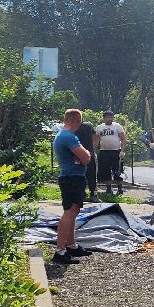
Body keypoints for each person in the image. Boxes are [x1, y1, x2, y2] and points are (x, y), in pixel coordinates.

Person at [53, 109, 92, 264]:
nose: (80, 124)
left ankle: (71, 245)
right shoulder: (68, 136)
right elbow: (86, 157)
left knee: (74, 211)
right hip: (71, 178)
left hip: (73, 177)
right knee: (69, 212)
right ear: (76, 120)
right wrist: (87, 153)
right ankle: (60, 251)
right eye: (79, 121)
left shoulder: (64, 135)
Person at [95, 110, 127, 196]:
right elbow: (97, 140)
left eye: (111, 117)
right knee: (106, 171)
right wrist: (94, 151)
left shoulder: (117, 126)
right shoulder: (99, 128)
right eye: (108, 117)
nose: (110, 119)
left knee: (118, 171)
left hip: (116, 151)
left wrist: (123, 151)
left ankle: (120, 189)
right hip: (104, 152)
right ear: (104, 118)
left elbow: (123, 139)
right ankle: (109, 189)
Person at [76, 113, 98, 200]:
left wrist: (93, 148)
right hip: (78, 154)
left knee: (91, 174)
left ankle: (93, 194)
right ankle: (82, 194)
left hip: (88, 153)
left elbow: (95, 136)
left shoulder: (88, 125)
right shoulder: (72, 128)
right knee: (81, 174)